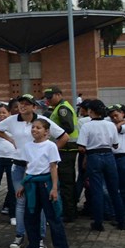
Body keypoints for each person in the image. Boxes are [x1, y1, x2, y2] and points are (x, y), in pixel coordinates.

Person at [0, 94, 68, 248]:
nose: (23, 106)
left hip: (39, 172)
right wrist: (11, 141)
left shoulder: (42, 122)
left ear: (34, 107)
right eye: (21, 103)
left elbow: (64, 136)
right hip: (19, 166)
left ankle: (40, 238)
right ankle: (20, 234)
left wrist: (49, 154)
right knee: (21, 202)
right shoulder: (12, 120)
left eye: (27, 104)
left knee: (39, 204)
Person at [15, 119, 71, 248]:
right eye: (33, 127)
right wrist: (23, 184)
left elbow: (53, 167)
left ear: (46, 132)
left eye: (38, 128)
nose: (34, 130)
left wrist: (54, 188)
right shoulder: (28, 146)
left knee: (54, 219)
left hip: (46, 184)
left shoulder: (50, 146)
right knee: (30, 217)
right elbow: (29, 166)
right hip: (32, 184)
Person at [78, 100, 124, 231]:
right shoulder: (110, 125)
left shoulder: (87, 126)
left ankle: (98, 223)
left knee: (97, 190)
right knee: (114, 190)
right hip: (109, 156)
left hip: (93, 157)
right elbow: (115, 145)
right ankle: (121, 221)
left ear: (90, 111)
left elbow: (81, 147)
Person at [44, 87, 80, 221]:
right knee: (66, 182)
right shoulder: (60, 107)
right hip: (65, 148)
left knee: (66, 183)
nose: (48, 100)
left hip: (66, 148)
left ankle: (69, 213)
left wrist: (53, 133)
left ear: (59, 95)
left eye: (50, 97)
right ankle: (69, 210)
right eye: (47, 97)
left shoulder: (62, 109)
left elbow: (69, 128)